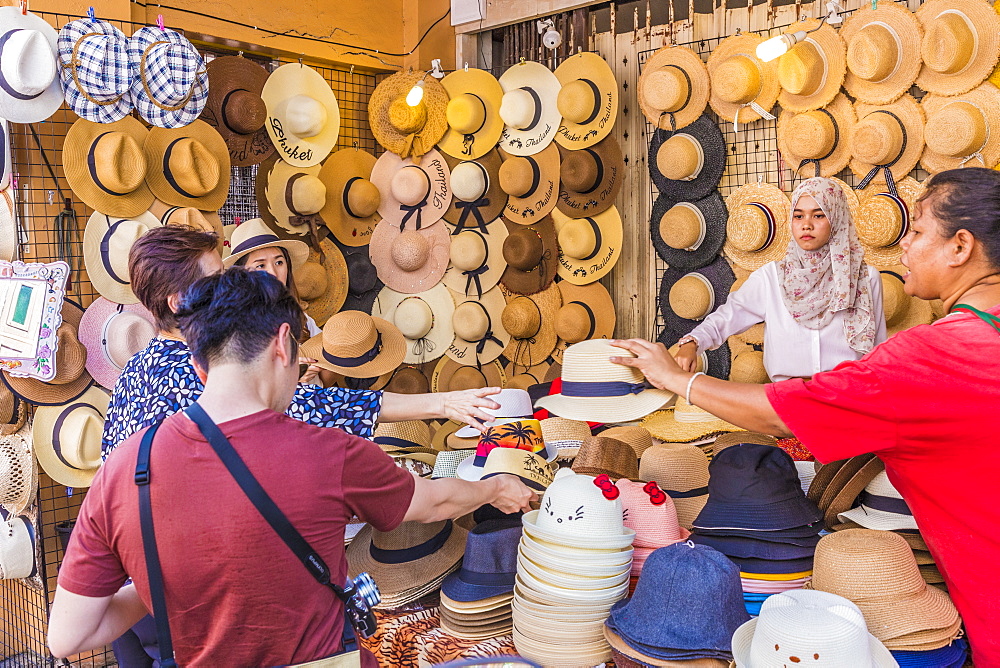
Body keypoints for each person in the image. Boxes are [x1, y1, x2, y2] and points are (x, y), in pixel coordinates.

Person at [48, 268, 537, 666]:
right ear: (283, 344)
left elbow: (68, 636)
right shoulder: (330, 454)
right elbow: (434, 502)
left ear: (199, 365)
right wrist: (493, 489)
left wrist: (165, 582)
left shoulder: (124, 468)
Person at [610, 168, 1000, 665]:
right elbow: (734, 320)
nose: (904, 244)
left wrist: (676, 379)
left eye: (918, 230)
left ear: (961, 246)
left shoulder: (931, 354)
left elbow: (789, 412)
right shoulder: (966, 341)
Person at [101, 225, 500, 460]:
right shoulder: (200, 371)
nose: (228, 285)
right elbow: (318, 407)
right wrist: (442, 402)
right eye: (216, 278)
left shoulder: (136, 369)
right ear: (179, 302)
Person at [675, 177, 886, 381]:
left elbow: (878, 349)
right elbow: (731, 314)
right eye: (799, 216)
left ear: (837, 218)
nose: (807, 225)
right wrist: (693, 342)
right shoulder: (771, 278)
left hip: (846, 397)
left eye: (819, 215)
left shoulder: (864, 278)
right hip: (787, 399)